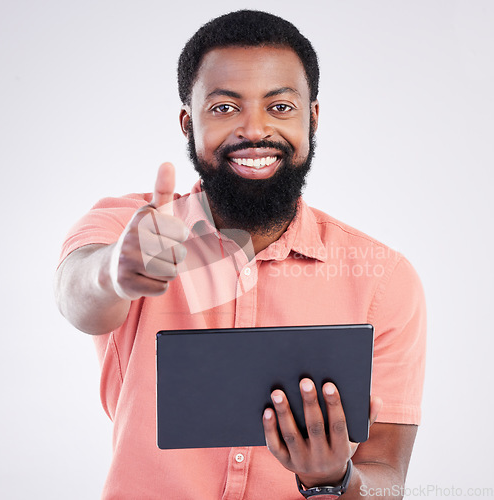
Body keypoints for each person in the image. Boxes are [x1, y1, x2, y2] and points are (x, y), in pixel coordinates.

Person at [55, 10, 426, 500]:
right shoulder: (128, 230)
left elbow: (387, 480)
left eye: (280, 107)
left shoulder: (385, 280)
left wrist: (333, 481)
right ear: (189, 123)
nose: (255, 130)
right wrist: (115, 275)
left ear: (312, 118)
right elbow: (76, 296)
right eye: (225, 108)